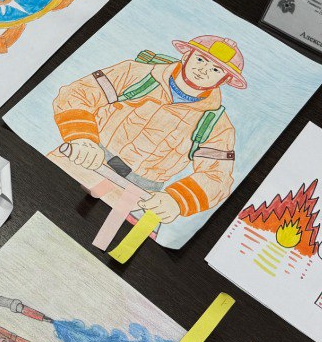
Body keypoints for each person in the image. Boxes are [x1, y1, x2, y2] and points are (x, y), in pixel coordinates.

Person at [52, 36, 244, 222]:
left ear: (225, 80)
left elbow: (217, 177)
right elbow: (78, 93)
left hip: (133, 199)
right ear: (187, 55)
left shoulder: (217, 125)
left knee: (94, 239)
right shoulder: (135, 73)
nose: (203, 70)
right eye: (200, 59)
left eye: (216, 69)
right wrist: (82, 137)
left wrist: (177, 201)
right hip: (80, 162)